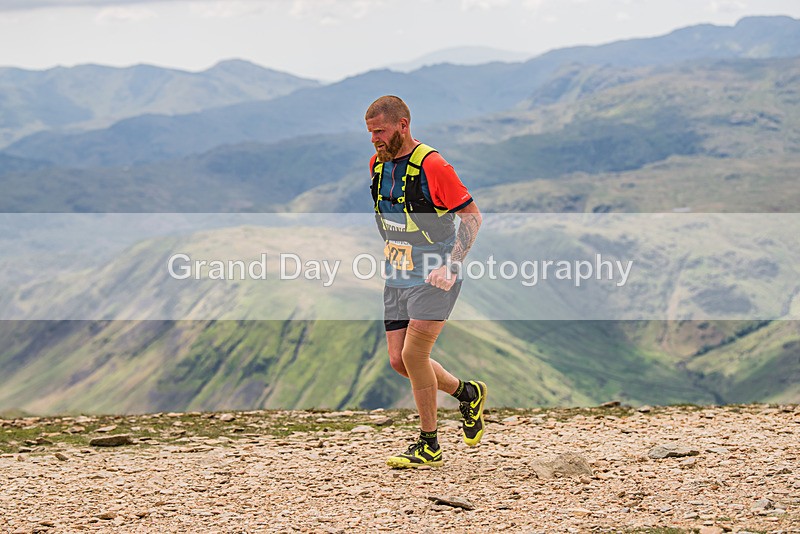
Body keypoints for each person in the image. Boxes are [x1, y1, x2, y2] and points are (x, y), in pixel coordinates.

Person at [365, 95, 487, 468]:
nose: (374, 140)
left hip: (435, 272)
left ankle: (429, 443)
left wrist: (451, 265)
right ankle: (467, 394)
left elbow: (472, 217)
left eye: (380, 131)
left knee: (414, 355)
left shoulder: (434, 166)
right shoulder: (377, 164)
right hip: (397, 273)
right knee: (398, 360)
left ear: (402, 126)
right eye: (370, 133)